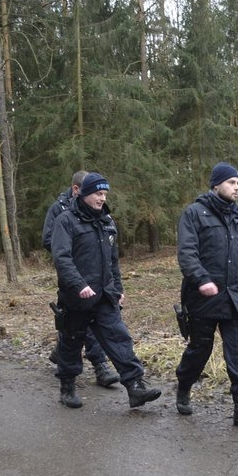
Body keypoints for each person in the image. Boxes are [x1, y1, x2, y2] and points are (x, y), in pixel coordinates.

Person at [174, 162, 238, 430]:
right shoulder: (194, 214)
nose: (237, 187)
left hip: (236, 298)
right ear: (216, 184)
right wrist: (202, 279)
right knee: (199, 350)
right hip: (203, 298)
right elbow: (187, 253)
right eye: (231, 182)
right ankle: (184, 385)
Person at [49, 172, 161, 409]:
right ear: (86, 193)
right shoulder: (66, 220)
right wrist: (79, 285)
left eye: (105, 194)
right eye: (98, 194)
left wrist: (118, 289)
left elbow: (113, 262)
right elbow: (62, 258)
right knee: (71, 343)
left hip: (104, 296)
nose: (102, 198)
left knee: (119, 338)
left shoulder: (107, 222)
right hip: (75, 298)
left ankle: (135, 388)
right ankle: (67, 388)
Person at [42, 170, 119, 389]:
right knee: (76, 323)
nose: (99, 196)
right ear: (76, 189)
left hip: (97, 275)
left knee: (94, 320)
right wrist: (73, 249)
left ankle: (96, 364)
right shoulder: (59, 210)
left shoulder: (97, 209)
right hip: (72, 274)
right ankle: (89, 364)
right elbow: (49, 239)